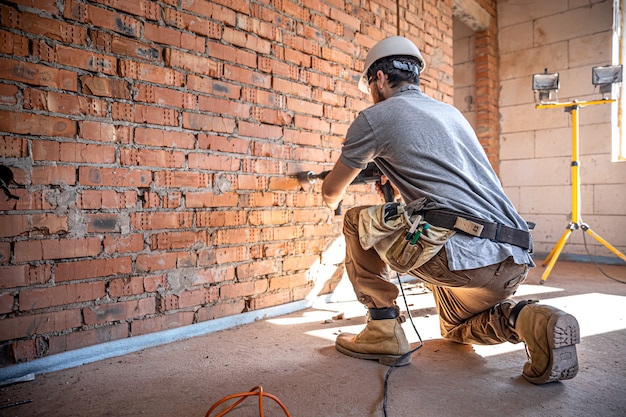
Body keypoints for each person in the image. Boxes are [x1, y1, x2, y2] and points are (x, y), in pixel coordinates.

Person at [320, 36, 580, 384]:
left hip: (460, 257)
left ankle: (382, 326)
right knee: (455, 328)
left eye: (371, 84)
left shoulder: (374, 118)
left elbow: (331, 191)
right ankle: (528, 319)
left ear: (379, 79)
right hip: (512, 258)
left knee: (356, 222)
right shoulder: (449, 113)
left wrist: (338, 189)